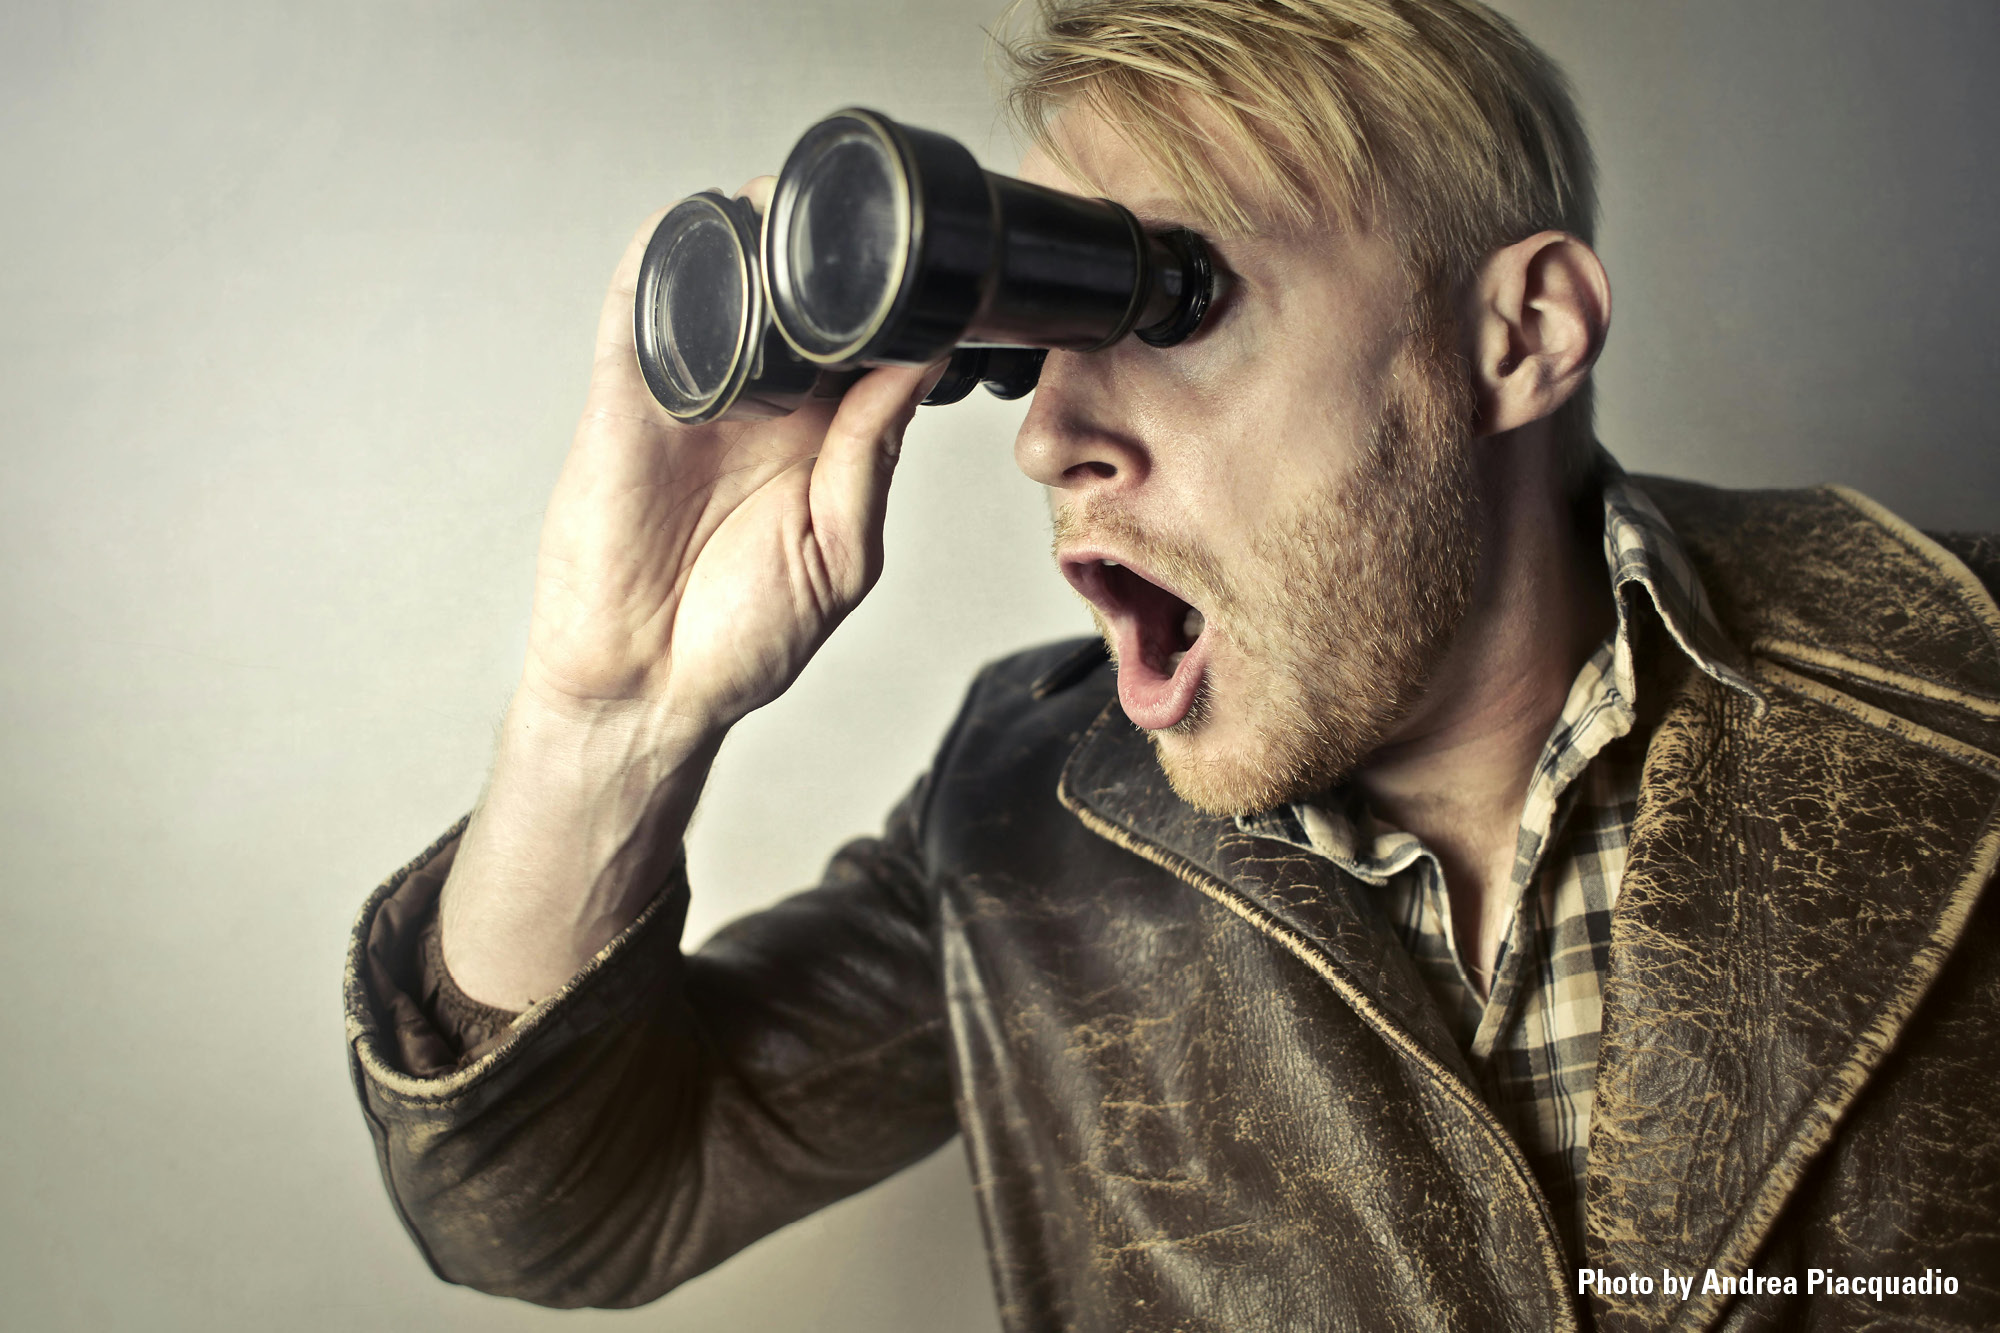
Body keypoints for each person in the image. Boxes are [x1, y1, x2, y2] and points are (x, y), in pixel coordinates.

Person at [344, 1, 2000, 1328]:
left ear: (1522, 335)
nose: (1051, 433)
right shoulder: (1022, 817)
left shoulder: (1963, 675)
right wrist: (610, 718)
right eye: (1043, 341)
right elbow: (566, 1205)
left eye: (1174, 300)